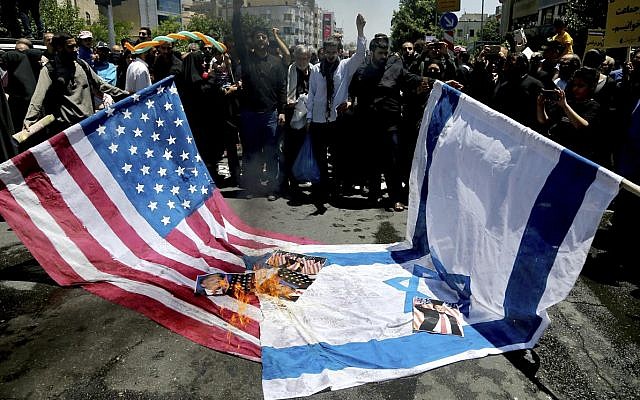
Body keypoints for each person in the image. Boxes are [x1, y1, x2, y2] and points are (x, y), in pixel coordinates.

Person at [350, 34, 430, 212]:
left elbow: (410, 78)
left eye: (386, 52)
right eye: (380, 53)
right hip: (370, 122)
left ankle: (395, 198)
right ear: (372, 53)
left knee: (393, 161)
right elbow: (353, 90)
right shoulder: (362, 70)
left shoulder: (395, 66)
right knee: (373, 160)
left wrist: (435, 83)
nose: (384, 56)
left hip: (391, 121)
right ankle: (374, 194)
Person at [22, 32, 128, 147]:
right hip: (68, 132)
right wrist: (29, 120)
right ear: (59, 48)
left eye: (75, 46)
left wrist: (126, 95)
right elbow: (38, 97)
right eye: (70, 47)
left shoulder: (82, 65)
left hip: (89, 127)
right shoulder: (50, 70)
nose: (75, 49)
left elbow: (102, 85)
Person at [306, 13, 366, 212]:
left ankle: (336, 188)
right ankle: (322, 188)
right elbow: (312, 94)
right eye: (328, 51)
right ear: (323, 52)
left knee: (338, 156)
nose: (331, 54)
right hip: (318, 120)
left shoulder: (344, 67)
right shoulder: (315, 69)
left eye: (334, 50)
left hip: (336, 119)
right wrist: (308, 117)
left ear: (339, 51)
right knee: (320, 157)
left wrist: (359, 30)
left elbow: (360, 55)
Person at [232, 0, 287, 200]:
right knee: (250, 153)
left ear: (267, 40)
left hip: (270, 115)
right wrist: (237, 12)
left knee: (271, 153)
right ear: (253, 41)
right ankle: (252, 188)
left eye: (263, 37)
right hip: (249, 115)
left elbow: (282, 88)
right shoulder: (247, 60)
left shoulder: (276, 62)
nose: (261, 40)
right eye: (257, 37)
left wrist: (281, 111)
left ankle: (272, 189)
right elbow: (237, 36)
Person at [536, 67, 601, 161]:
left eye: (581, 86)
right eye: (574, 85)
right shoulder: (568, 101)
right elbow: (544, 120)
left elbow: (582, 125)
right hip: (553, 150)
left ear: (591, 87)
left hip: (573, 154)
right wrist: (540, 105)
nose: (575, 89)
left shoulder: (593, 106)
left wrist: (565, 106)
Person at [282, 45, 311, 201]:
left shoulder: (314, 70)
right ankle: (290, 183)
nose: (302, 61)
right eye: (299, 57)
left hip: (309, 116)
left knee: (306, 150)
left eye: (305, 58)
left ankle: (304, 178)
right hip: (291, 114)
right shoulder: (289, 70)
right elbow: (283, 90)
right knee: (290, 151)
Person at [493, 53, 544, 131]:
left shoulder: (535, 85)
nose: (506, 66)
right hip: (506, 129)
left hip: (527, 130)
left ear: (521, 64)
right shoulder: (504, 85)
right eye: (506, 63)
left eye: (510, 63)